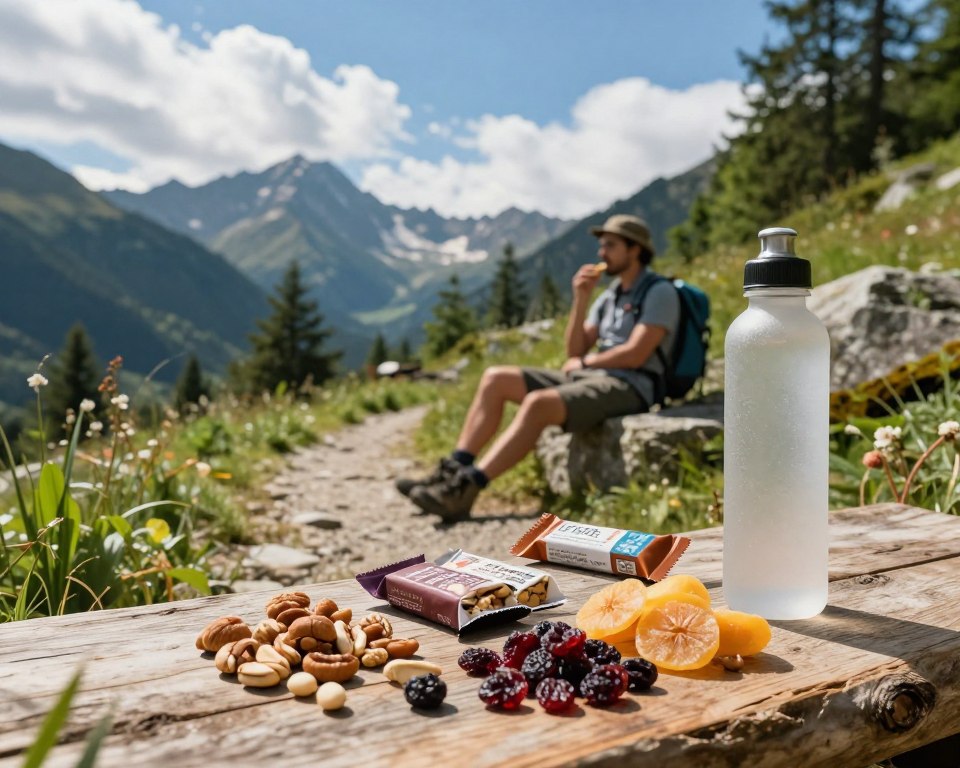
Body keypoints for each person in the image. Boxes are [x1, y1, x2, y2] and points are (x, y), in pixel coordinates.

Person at [396, 214, 681, 523]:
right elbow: (574, 350)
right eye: (601, 245)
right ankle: (452, 470)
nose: (601, 253)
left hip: (633, 385)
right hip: (593, 377)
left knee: (538, 403)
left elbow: (637, 354)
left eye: (610, 245)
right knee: (495, 378)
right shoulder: (611, 296)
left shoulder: (659, 292)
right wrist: (581, 299)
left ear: (634, 249)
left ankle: (466, 489)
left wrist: (586, 363)